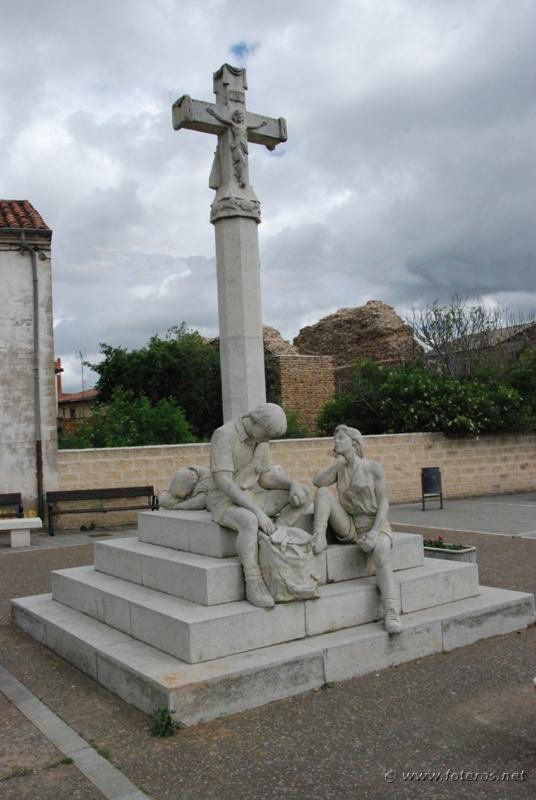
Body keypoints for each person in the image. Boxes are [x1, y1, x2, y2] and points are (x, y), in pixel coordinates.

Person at [209, 403, 311, 608]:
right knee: (249, 520)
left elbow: (264, 478)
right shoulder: (224, 435)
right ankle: (253, 580)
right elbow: (224, 482)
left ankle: (275, 535)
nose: (267, 440)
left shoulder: (261, 440)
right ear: (254, 421)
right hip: (224, 500)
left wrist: (291, 484)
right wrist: (257, 512)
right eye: (266, 435)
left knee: (304, 494)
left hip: (253, 496)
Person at [312, 425, 402, 634]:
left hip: (374, 524)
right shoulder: (340, 468)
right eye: (335, 439)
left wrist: (374, 532)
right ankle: (319, 536)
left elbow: (384, 503)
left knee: (381, 551)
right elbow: (318, 482)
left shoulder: (373, 467)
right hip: (351, 526)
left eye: (340, 438)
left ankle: (391, 609)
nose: (336, 442)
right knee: (324, 493)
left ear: (353, 442)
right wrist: (337, 463)